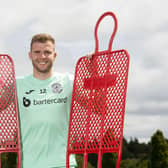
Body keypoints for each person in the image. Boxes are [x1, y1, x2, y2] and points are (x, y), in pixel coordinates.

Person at [16, 33, 78, 168]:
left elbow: (100, 108)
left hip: (64, 163)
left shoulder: (69, 81)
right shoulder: (16, 85)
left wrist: (93, 72)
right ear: (30, 55)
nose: (42, 56)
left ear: (54, 56)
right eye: (37, 52)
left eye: (47, 52)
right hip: (29, 164)